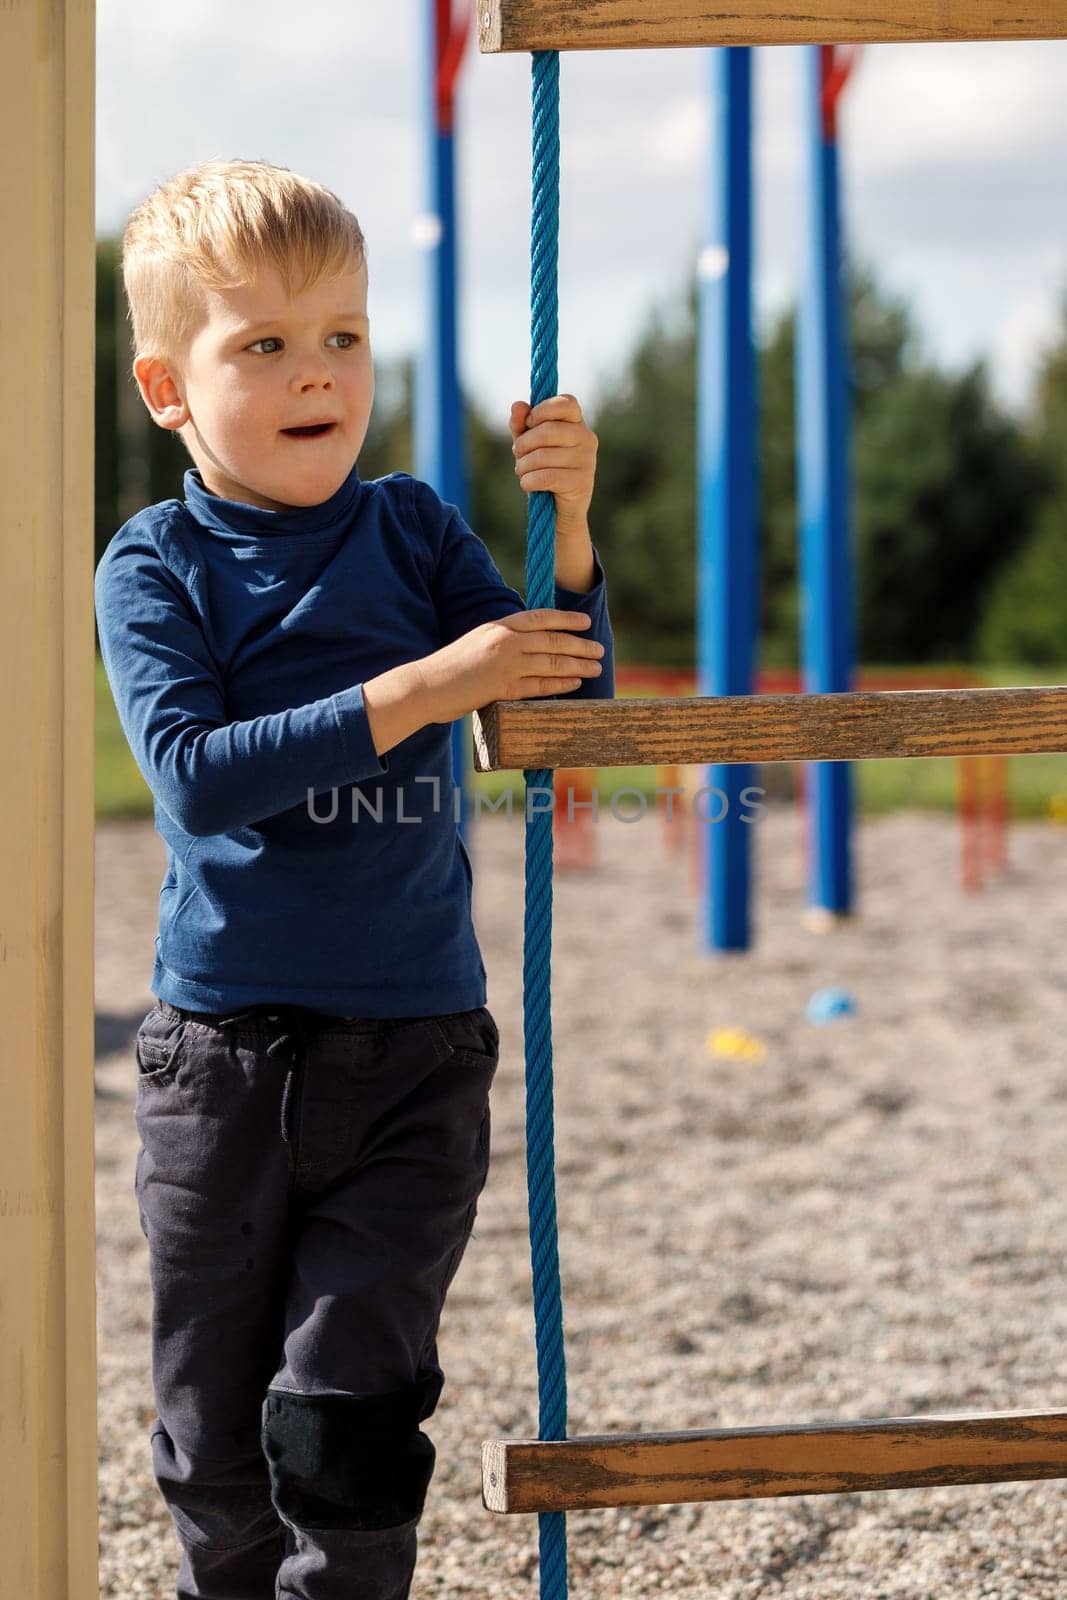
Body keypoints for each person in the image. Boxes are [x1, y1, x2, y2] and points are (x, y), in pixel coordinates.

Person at [94, 158, 615, 1600]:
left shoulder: (415, 531)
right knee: (211, 1434)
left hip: (412, 1051)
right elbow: (197, 774)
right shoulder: (158, 565)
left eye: (341, 336)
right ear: (168, 389)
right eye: (261, 344)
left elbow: (559, 713)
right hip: (224, 1059)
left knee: (347, 1413)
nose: (315, 371)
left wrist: (568, 534)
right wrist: (426, 686)